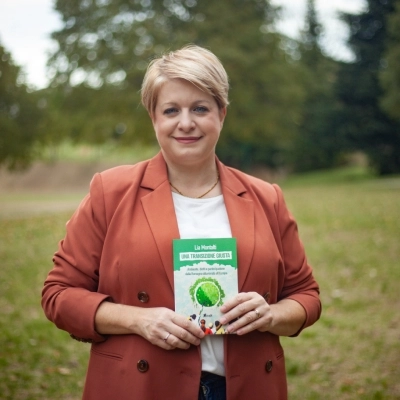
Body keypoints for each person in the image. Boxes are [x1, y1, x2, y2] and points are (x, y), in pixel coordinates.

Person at [42, 44, 321, 400]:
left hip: (246, 388)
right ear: (154, 117)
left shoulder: (266, 197)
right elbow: (59, 296)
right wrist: (138, 319)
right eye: (171, 109)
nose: (185, 123)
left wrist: (270, 315)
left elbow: (306, 297)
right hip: (142, 388)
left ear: (221, 113)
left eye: (200, 108)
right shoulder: (110, 192)